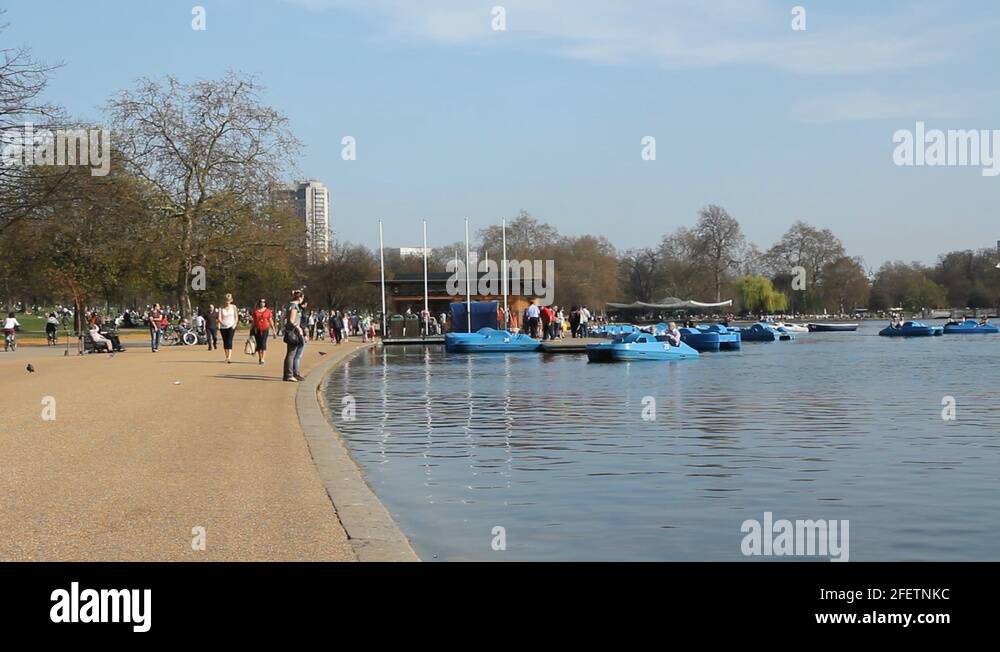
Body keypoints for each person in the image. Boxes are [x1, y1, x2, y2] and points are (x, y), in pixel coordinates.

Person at [282, 290, 306, 382]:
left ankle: (288, 374)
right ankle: (289, 375)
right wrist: (298, 328)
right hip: (293, 332)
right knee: (291, 354)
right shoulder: (294, 306)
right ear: (299, 298)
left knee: (290, 353)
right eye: (302, 298)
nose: (302, 300)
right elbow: (292, 320)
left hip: (290, 331)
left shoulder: (290, 305)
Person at [251, 298, 274, 365]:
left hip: (265, 329)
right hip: (257, 329)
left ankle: (263, 358)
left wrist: (274, 330)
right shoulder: (255, 311)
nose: (262, 303)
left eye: (263, 302)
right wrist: (251, 330)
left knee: (263, 343)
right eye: (261, 302)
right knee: (258, 344)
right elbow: (253, 321)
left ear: (265, 303)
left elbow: (270, 320)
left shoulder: (268, 311)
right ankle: (260, 357)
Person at [217, 293, 239, 363]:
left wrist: (234, 324)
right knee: (225, 341)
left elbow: (236, 317)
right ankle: (226, 356)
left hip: (231, 326)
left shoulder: (234, 307)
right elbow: (219, 317)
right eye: (226, 300)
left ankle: (229, 357)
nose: (227, 301)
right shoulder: (221, 307)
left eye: (229, 300)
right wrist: (221, 323)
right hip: (223, 327)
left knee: (229, 341)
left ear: (231, 300)